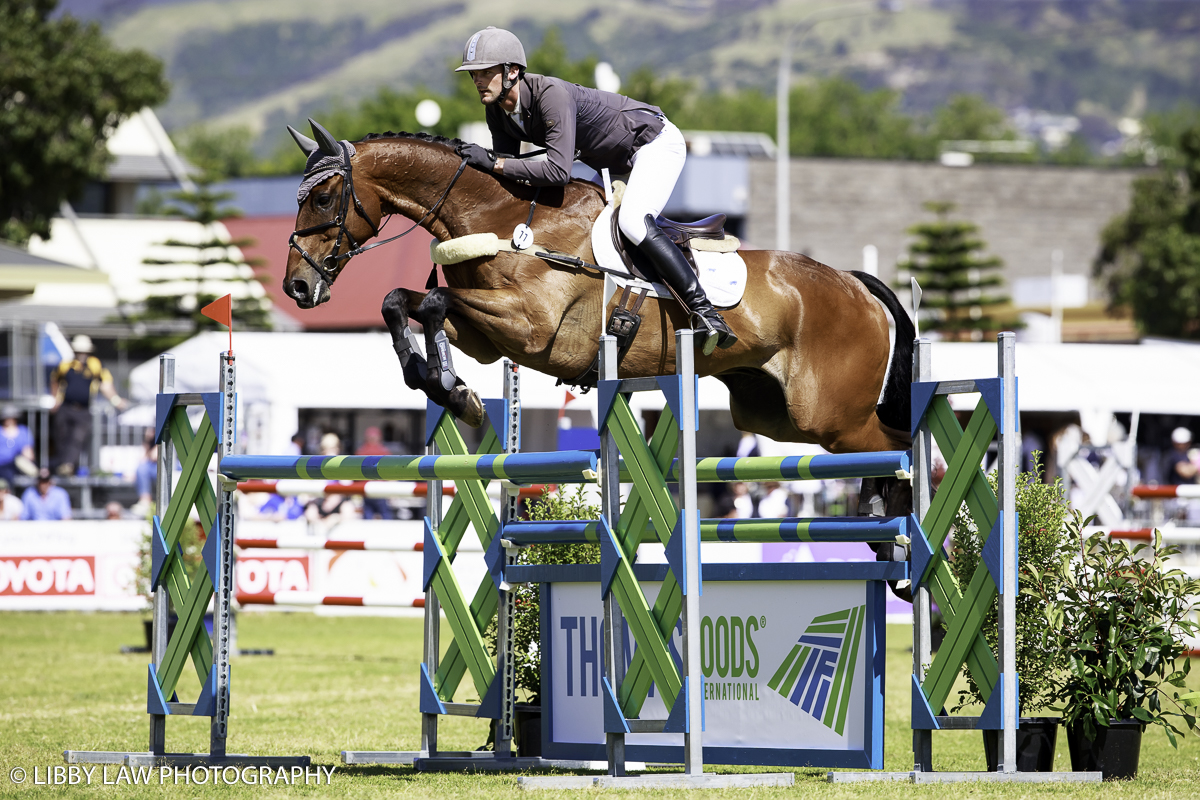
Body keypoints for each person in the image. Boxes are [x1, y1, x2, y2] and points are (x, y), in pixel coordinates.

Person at [454, 27, 736, 354]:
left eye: (485, 72)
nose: (477, 80)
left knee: (632, 221)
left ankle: (704, 311)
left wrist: (494, 164)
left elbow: (556, 171)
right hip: (612, 162)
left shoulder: (550, 95)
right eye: (474, 73)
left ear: (512, 71)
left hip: (653, 144)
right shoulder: (497, 110)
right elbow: (509, 170)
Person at [50, 335, 128, 476]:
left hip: (84, 410)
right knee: (62, 438)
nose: (82, 355)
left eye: (84, 352)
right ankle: (63, 466)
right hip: (66, 407)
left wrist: (116, 400)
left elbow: (106, 384)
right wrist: (55, 399)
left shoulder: (95, 365)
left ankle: (67, 466)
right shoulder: (65, 365)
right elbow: (55, 380)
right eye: (79, 352)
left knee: (77, 437)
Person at [355, 426, 394, 520]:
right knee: (385, 515)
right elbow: (390, 472)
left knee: (368, 515)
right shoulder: (383, 451)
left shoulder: (361, 451)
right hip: (380, 489)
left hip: (365, 489)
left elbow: (356, 473)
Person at [0, 405, 36, 487]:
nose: (9, 420)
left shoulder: (23, 431)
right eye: (7, 418)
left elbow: (28, 452)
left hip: (17, 464)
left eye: (12, 418)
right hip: (2, 464)